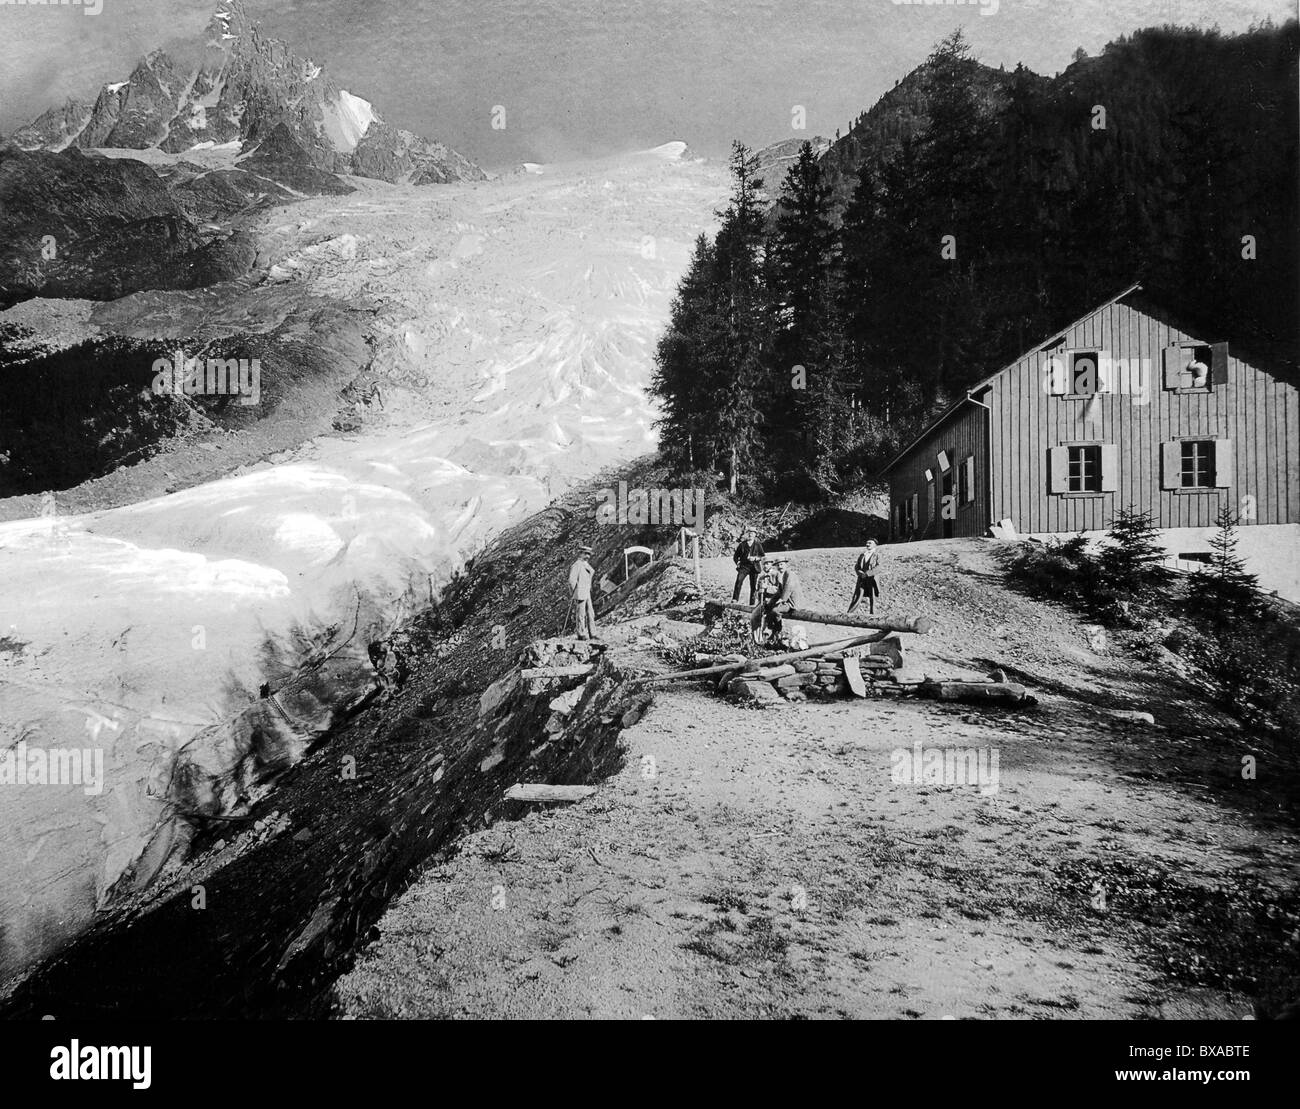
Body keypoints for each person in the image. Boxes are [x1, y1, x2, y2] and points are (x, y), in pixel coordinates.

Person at [567, 544, 598, 640]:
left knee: (590, 613)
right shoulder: (577, 565)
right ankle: (581, 634)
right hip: (580, 592)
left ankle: (593, 633)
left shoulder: (586, 564)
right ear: (581, 554)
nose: (588, 556)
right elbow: (571, 580)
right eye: (586, 554)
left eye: (589, 554)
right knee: (581, 614)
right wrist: (574, 593)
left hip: (587, 592)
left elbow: (590, 575)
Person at [732, 526, 766, 604]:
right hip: (744, 567)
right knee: (738, 581)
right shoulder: (742, 545)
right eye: (749, 533)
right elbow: (735, 556)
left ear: (755, 535)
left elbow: (762, 556)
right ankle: (735, 599)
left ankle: (752, 602)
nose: (750, 534)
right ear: (747, 534)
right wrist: (737, 562)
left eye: (752, 533)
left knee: (753, 586)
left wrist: (755, 558)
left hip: (754, 567)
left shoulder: (758, 544)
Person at [848, 539, 881, 614]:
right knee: (857, 596)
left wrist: (867, 574)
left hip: (872, 579)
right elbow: (857, 566)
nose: (868, 544)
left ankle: (873, 616)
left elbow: (879, 567)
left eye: (870, 543)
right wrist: (859, 572)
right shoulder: (862, 555)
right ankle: (849, 615)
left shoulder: (877, 555)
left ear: (875, 545)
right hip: (862, 579)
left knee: (873, 598)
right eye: (867, 543)